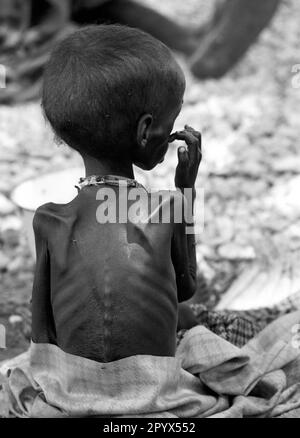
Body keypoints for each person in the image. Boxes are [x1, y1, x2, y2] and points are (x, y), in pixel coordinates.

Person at [32, 24, 201, 363]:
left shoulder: (49, 220)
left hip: (74, 391)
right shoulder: (166, 208)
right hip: (153, 392)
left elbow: (42, 328)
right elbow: (186, 288)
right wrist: (186, 189)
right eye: (171, 121)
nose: (172, 134)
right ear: (144, 131)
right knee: (200, 326)